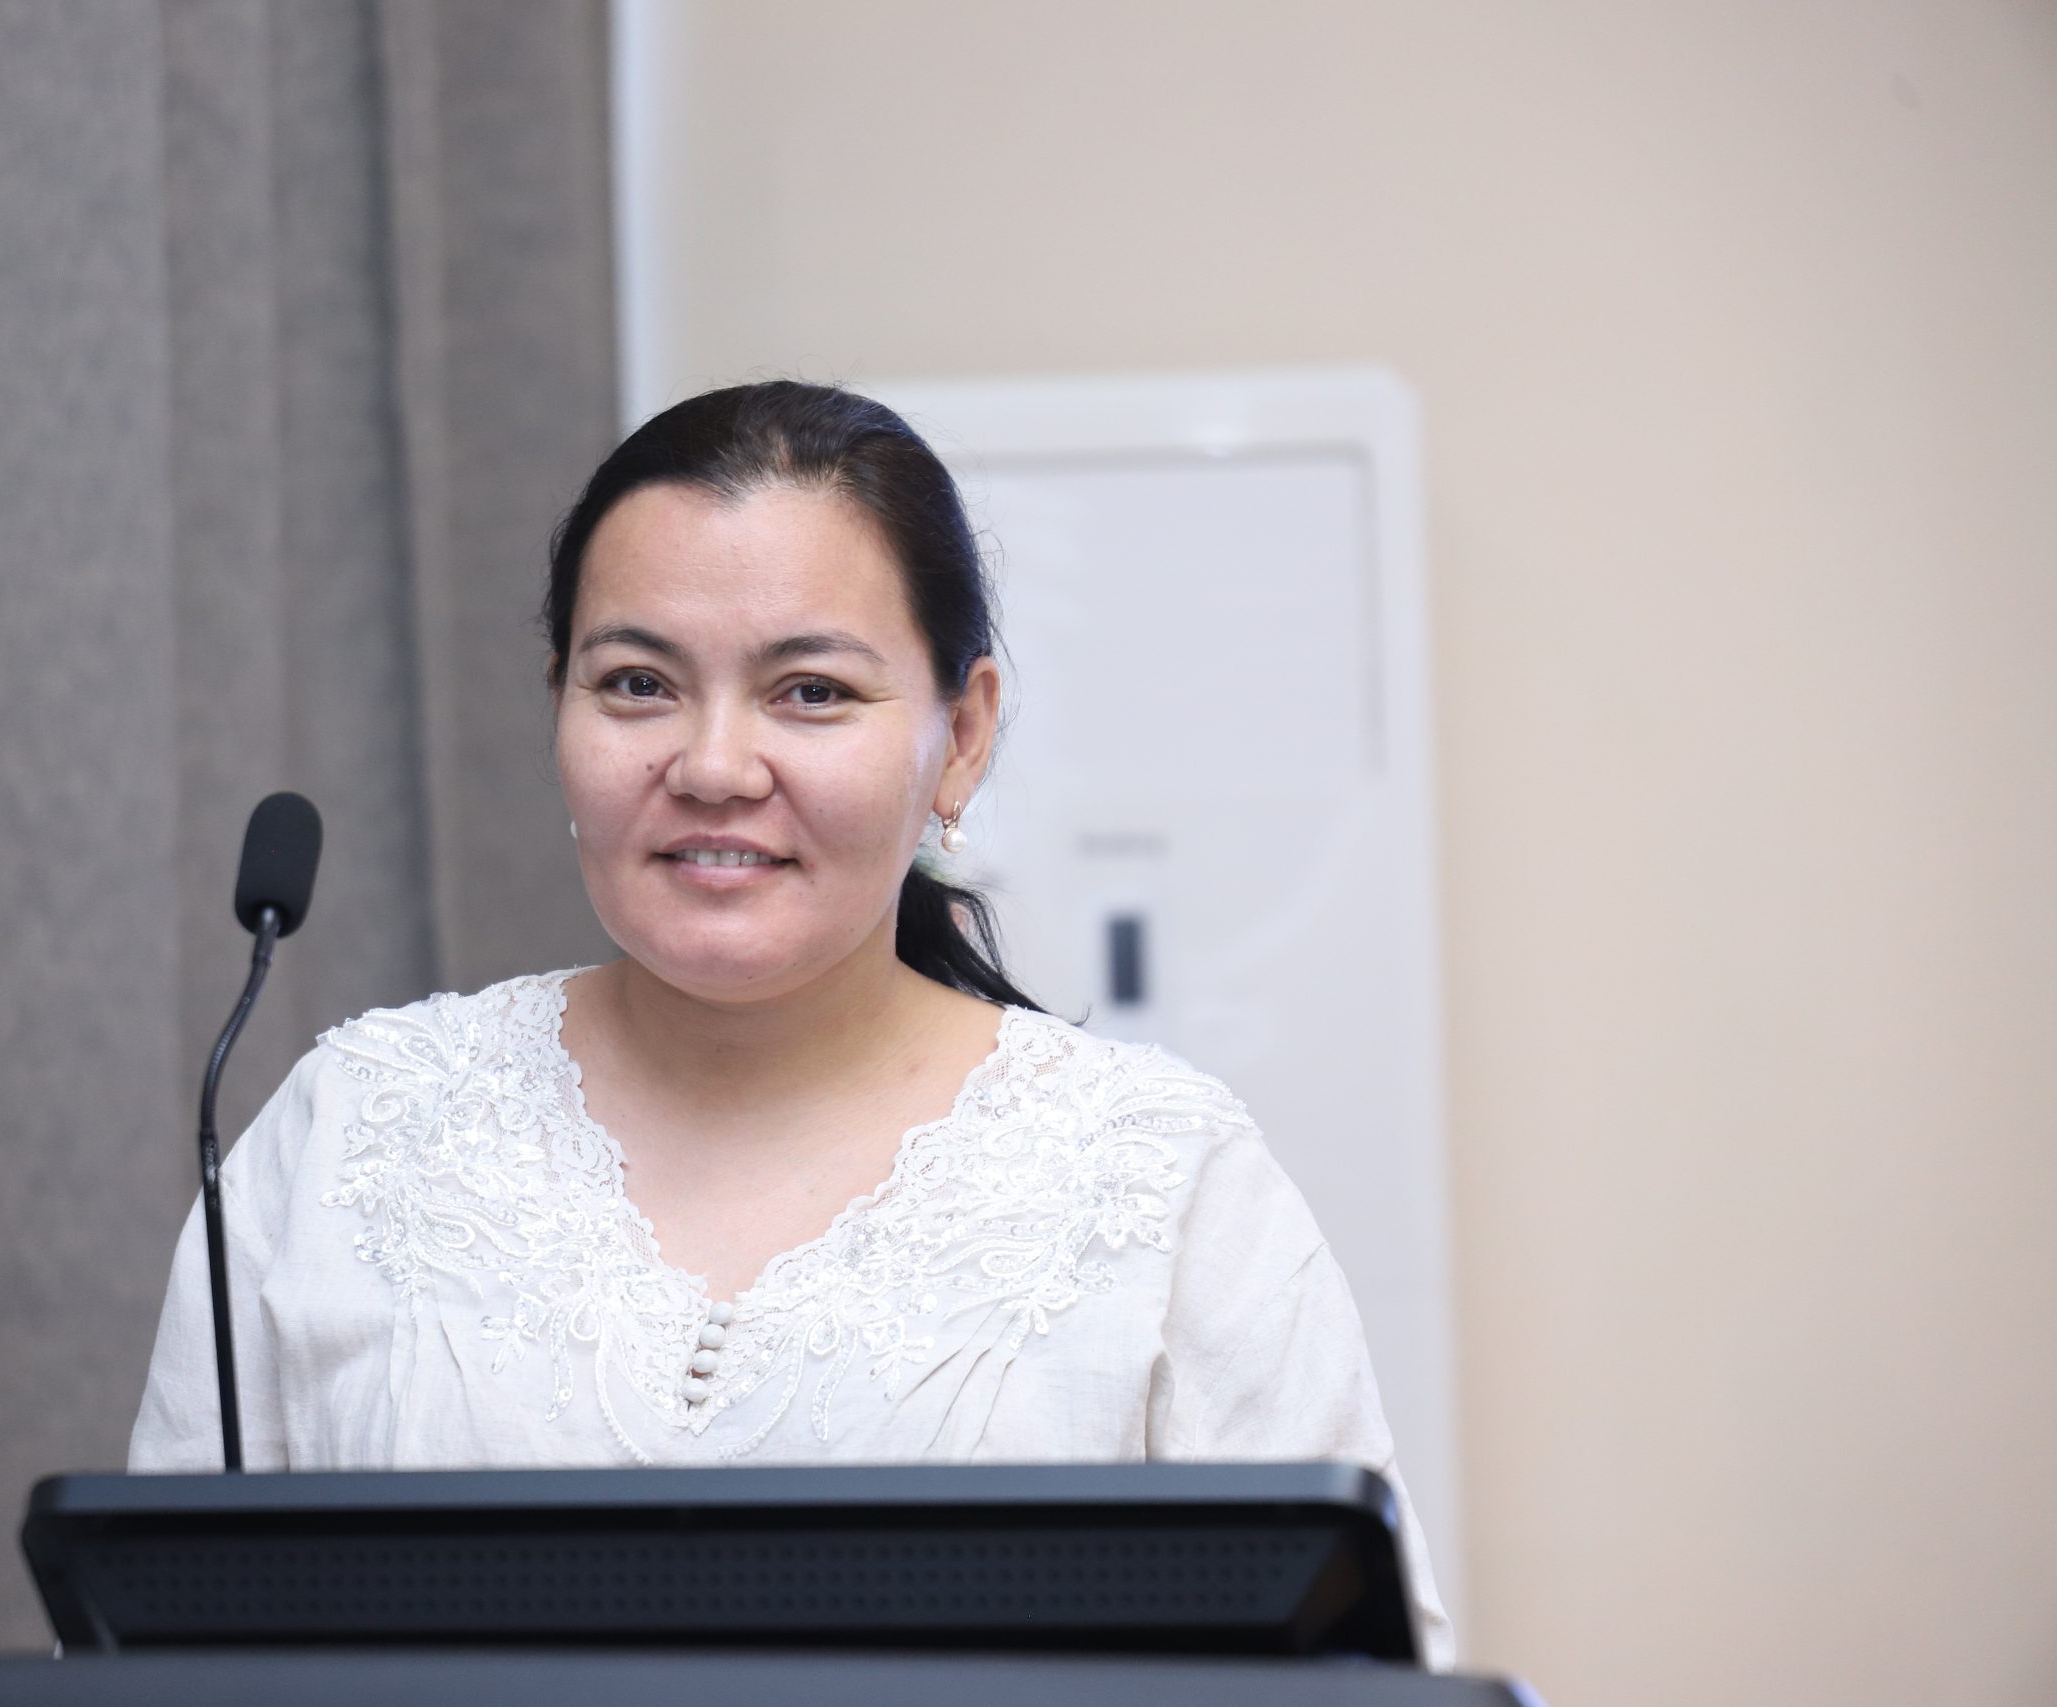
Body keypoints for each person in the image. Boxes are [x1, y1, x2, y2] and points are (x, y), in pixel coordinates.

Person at [129, 379, 1454, 1665]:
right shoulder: (351, 1133)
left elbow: (1364, 1678)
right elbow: (147, 1654)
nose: (712, 767)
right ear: (559, 710)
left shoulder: (1166, 1179)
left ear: (963, 736)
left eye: (811, 691)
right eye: (636, 683)